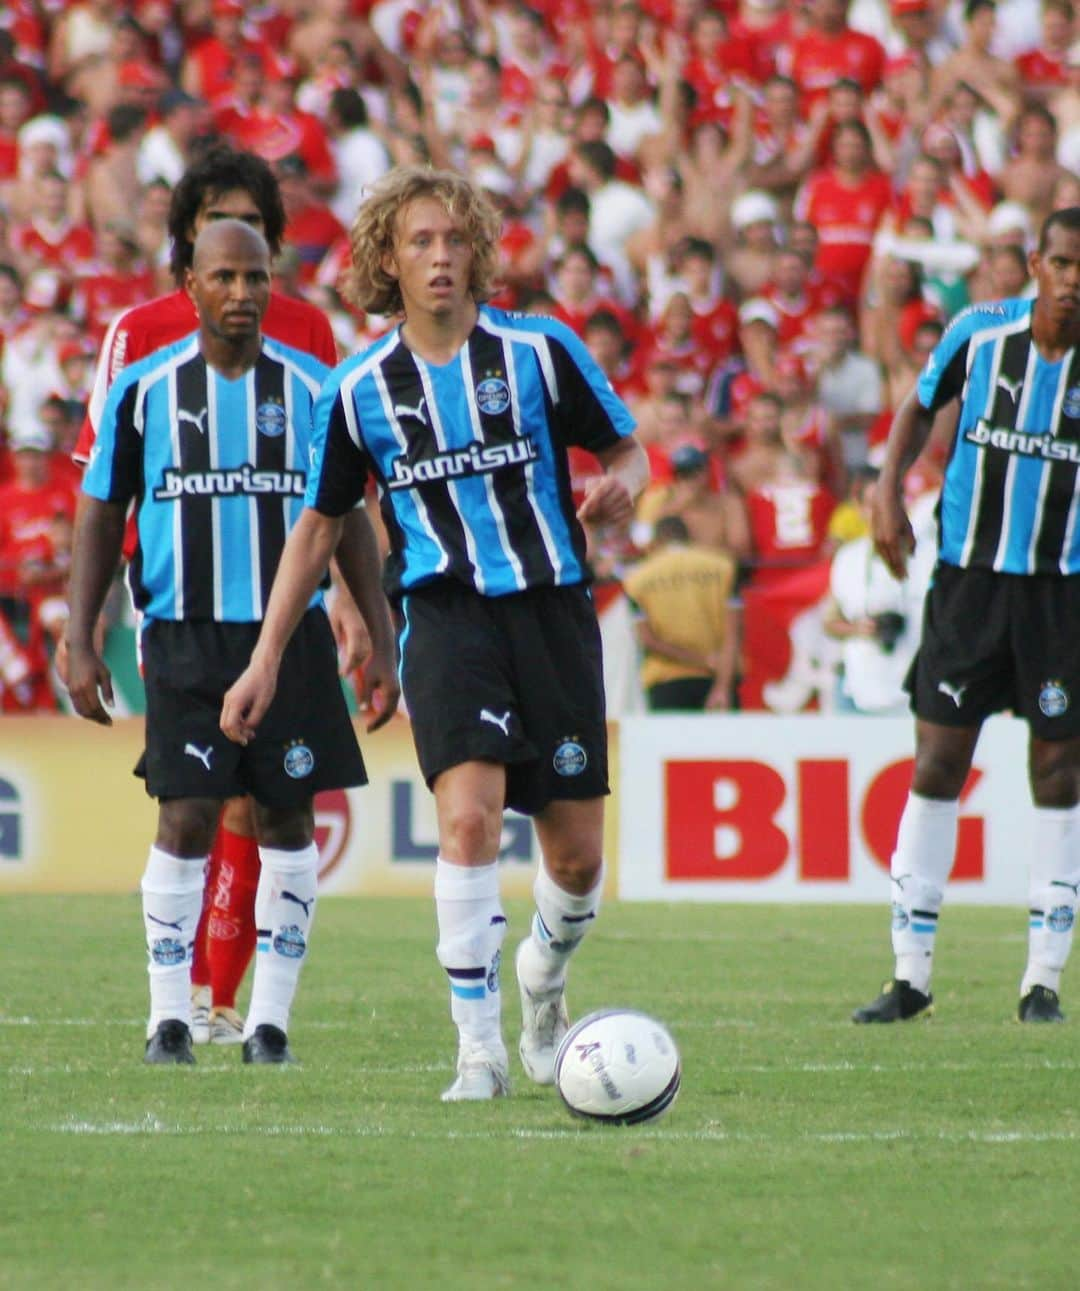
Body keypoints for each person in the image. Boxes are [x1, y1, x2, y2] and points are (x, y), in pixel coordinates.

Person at [219, 166, 649, 1101]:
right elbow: (320, 526)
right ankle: (477, 1052)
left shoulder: (540, 352)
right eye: (421, 241)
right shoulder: (359, 388)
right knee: (468, 821)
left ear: (478, 252)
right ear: (388, 259)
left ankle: (543, 976)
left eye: (455, 239)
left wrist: (626, 485)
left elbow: (627, 446)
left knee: (574, 861)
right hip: (447, 621)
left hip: (554, 614)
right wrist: (262, 661)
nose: (442, 256)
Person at [64, 220, 397, 1065]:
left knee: (288, 816)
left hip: (287, 637)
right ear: (190, 282)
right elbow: (102, 510)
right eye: (225, 277)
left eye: (257, 277)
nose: (243, 293)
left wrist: (383, 636)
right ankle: (168, 1018)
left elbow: (349, 513)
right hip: (184, 634)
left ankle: (270, 1024)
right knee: (186, 814)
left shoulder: (318, 390)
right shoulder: (144, 390)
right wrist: (80, 632)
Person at [854, 206, 1080, 1025]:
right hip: (970, 582)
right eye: (1061, 263)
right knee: (939, 760)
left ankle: (1042, 979)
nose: (1072, 279)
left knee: (1057, 771)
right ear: (1035, 263)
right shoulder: (980, 334)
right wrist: (885, 492)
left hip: (1061, 591)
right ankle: (910, 973)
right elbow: (918, 406)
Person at [623, 514, 741, 712]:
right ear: (689, 536)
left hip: (665, 680)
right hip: (717, 678)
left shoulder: (635, 578)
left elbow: (648, 640)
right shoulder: (723, 567)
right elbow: (734, 632)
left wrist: (701, 660)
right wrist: (723, 685)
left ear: (656, 541)